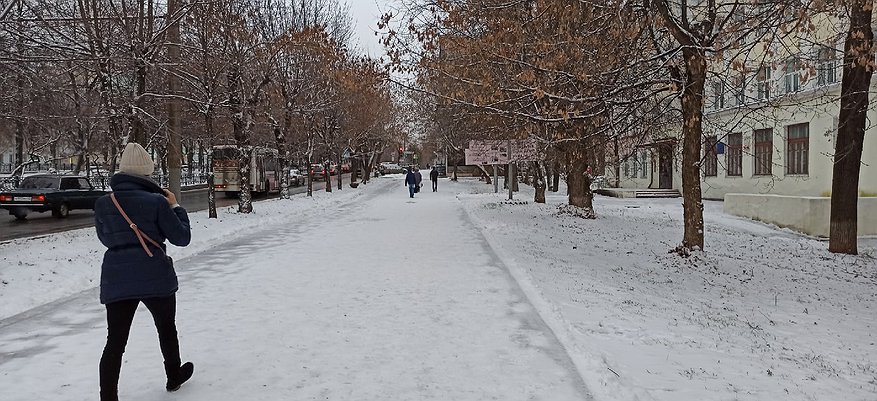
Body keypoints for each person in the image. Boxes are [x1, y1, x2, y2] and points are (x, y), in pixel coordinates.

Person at [94, 142, 194, 401]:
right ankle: (173, 376)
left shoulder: (105, 203)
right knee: (166, 328)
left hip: (117, 278)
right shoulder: (157, 202)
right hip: (154, 275)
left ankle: (108, 396)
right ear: (147, 172)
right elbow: (182, 238)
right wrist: (175, 207)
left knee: (115, 341)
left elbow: (106, 239)